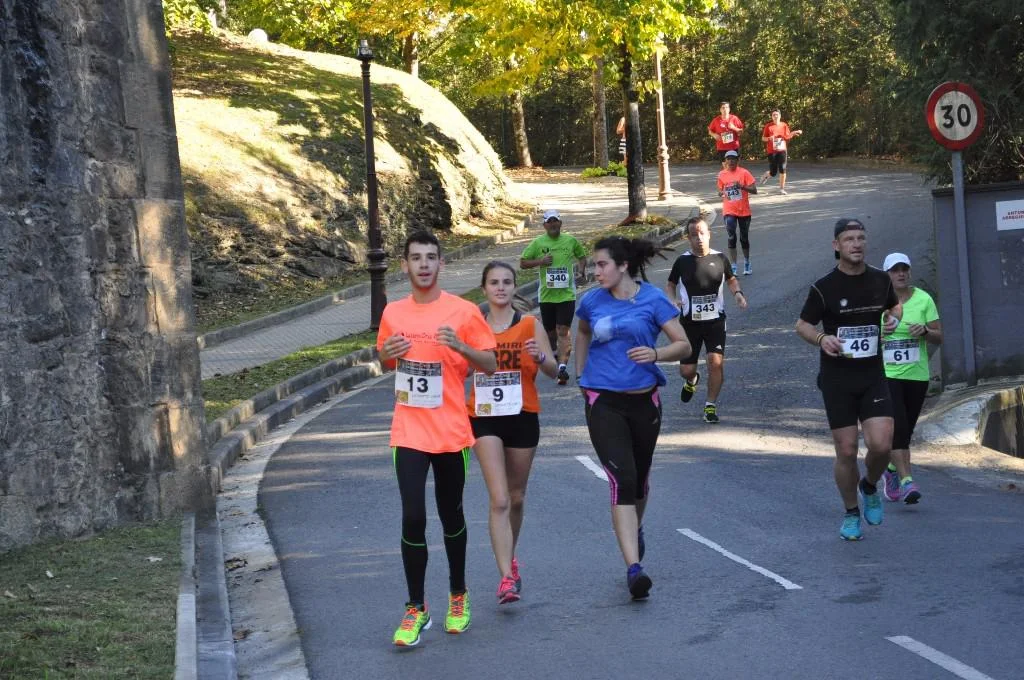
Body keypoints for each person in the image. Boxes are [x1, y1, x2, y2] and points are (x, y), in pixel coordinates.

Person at [377, 230, 498, 646]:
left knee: (451, 515)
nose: (424, 264)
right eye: (416, 258)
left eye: (431, 257)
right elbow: (384, 358)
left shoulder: (463, 311)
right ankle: (416, 607)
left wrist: (461, 346)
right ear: (405, 265)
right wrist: (387, 353)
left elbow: (490, 364)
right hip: (408, 430)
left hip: (450, 431)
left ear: (441, 264)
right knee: (413, 516)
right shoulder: (393, 312)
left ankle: (458, 595)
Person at [575, 236, 691, 600]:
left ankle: (634, 528)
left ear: (623, 265)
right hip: (603, 401)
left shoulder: (652, 299)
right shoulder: (591, 301)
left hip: (645, 402)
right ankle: (633, 569)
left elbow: (684, 344)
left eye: (602, 265)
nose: (596, 272)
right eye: (595, 265)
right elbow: (582, 332)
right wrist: (581, 375)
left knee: (639, 481)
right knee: (622, 478)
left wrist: (656, 355)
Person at [795, 219, 902, 541]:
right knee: (846, 449)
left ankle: (869, 485)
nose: (856, 244)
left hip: (872, 375)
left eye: (861, 238)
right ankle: (851, 512)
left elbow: (894, 307)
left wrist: (893, 319)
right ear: (836, 246)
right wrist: (821, 338)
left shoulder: (880, 280)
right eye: (849, 239)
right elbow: (802, 325)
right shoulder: (824, 287)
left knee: (881, 445)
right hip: (837, 379)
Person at [468, 261, 557, 605]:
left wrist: (541, 357)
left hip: (522, 414)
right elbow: (460, 369)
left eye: (507, 282)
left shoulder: (530, 325)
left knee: (516, 496)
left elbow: (553, 371)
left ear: (514, 287)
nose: (501, 288)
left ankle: (511, 554)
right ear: (484, 288)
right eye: (494, 282)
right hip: (484, 417)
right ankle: (506, 577)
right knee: (500, 498)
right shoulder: (474, 326)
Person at [665, 216, 747, 424]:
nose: (699, 238)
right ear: (689, 238)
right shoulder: (682, 261)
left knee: (715, 362)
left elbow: (731, 279)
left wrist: (737, 293)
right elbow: (670, 284)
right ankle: (692, 380)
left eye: (702, 233)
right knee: (686, 370)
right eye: (694, 235)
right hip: (689, 323)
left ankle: (710, 405)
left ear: (709, 234)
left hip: (715, 321)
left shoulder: (720, 258)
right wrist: (673, 300)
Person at [880, 252, 942, 505]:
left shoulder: (923, 299)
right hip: (888, 375)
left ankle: (891, 469)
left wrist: (925, 331)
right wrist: (880, 334)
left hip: (917, 375)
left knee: (907, 430)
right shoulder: (877, 302)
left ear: (910, 272)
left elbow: (939, 336)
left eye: (904, 269)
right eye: (895, 270)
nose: (901, 274)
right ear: (887, 275)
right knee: (899, 428)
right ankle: (907, 481)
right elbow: (865, 336)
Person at [520, 209, 588, 385]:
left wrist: (581, 270)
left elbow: (582, 257)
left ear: (560, 223)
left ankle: (562, 368)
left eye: (555, 221)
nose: (552, 224)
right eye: (549, 222)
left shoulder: (570, 240)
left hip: (566, 295)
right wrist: (540, 262)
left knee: (563, 330)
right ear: (544, 225)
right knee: (550, 334)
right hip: (547, 296)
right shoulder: (538, 243)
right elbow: (523, 263)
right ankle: (556, 358)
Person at [717, 150, 758, 276]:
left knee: (743, 238)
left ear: (737, 160)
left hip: (744, 211)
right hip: (729, 210)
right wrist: (720, 193)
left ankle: (747, 262)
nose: (731, 161)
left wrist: (742, 187)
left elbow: (755, 190)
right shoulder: (722, 174)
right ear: (725, 161)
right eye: (728, 159)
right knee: (731, 236)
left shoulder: (744, 173)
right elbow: (721, 190)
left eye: (733, 159)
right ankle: (733, 266)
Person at [759, 109, 802, 194]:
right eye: (773, 115)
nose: (775, 116)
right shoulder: (768, 126)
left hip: (782, 150)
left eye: (777, 115)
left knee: (783, 169)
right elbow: (763, 138)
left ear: (780, 116)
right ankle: (767, 174)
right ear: (772, 116)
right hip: (772, 151)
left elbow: (787, 136)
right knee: (773, 172)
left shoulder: (784, 125)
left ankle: (782, 189)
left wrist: (794, 132)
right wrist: (769, 138)